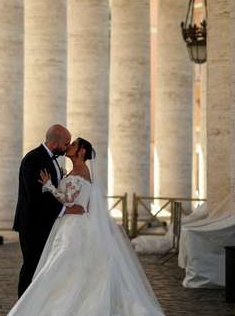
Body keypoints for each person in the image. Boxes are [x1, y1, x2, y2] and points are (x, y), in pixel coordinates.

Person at [8, 138, 165, 316]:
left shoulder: (81, 172)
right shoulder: (75, 171)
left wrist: (49, 186)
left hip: (73, 226)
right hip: (70, 222)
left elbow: (68, 199)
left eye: (73, 144)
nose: (68, 146)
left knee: (63, 263)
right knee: (65, 265)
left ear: (82, 152)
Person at [12, 124, 84, 296]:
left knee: (43, 266)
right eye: (66, 143)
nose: (67, 147)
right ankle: (23, 307)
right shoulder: (33, 160)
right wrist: (64, 211)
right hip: (33, 224)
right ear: (54, 143)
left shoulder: (52, 158)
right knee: (31, 265)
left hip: (47, 223)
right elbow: (35, 197)